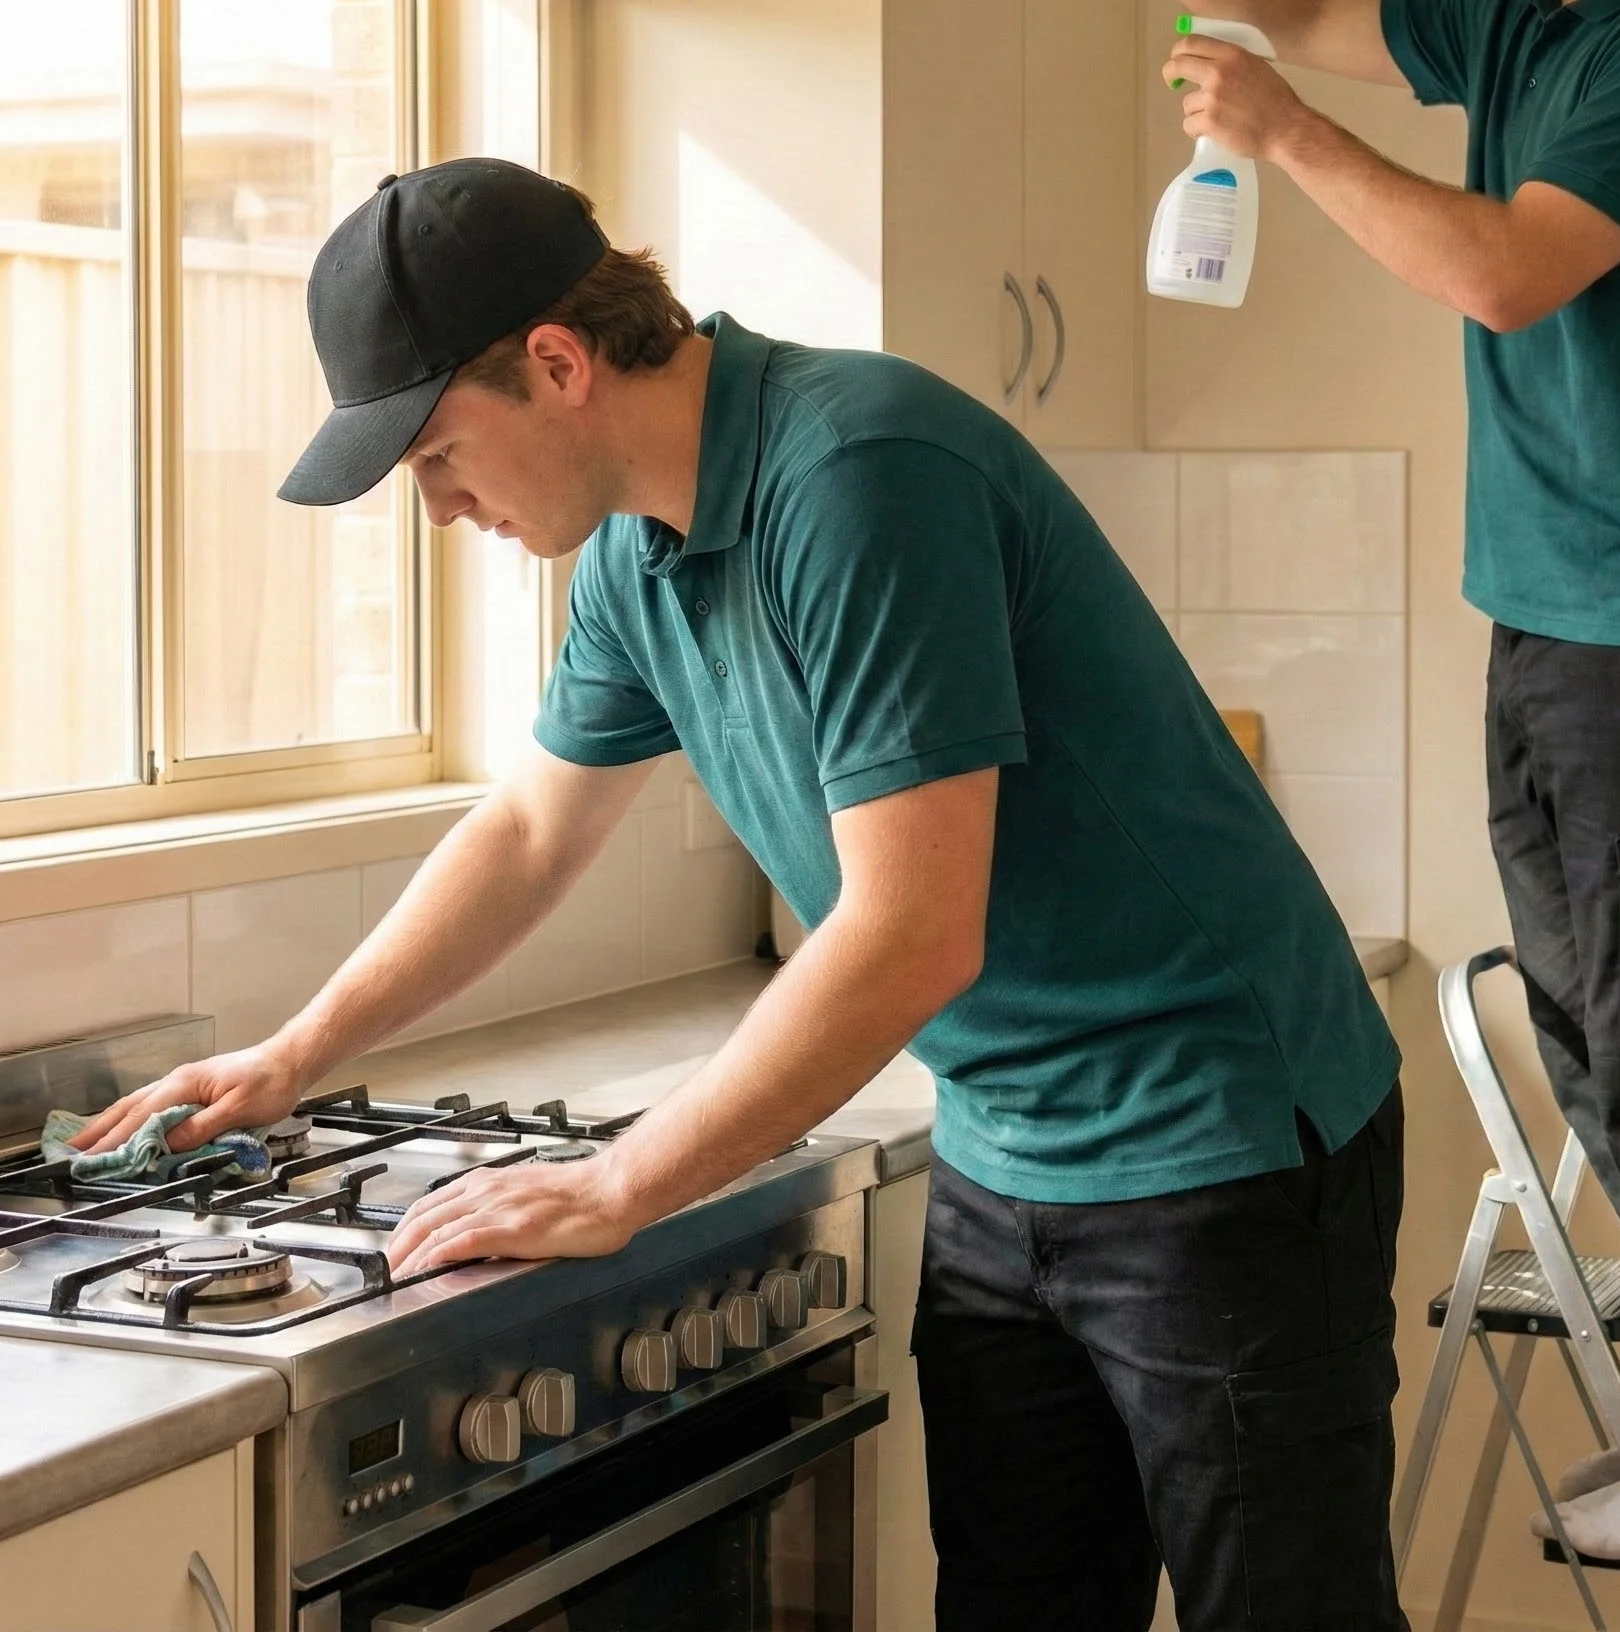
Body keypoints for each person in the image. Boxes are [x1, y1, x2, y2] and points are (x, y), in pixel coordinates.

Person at [72, 155, 1410, 1631]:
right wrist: (294, 1053)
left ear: (559, 364)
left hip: (1213, 1135)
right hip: (1007, 1142)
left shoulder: (858, 474)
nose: (437, 509)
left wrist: (619, 1185)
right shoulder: (635, 557)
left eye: (438, 455)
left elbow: (910, 931)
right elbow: (530, 830)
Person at [954, 0, 1620, 1562]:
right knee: (1594, 1031)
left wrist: (1282, 135)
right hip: (1555, 620)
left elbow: (1508, 269)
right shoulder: (1525, 18)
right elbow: (1292, 0)